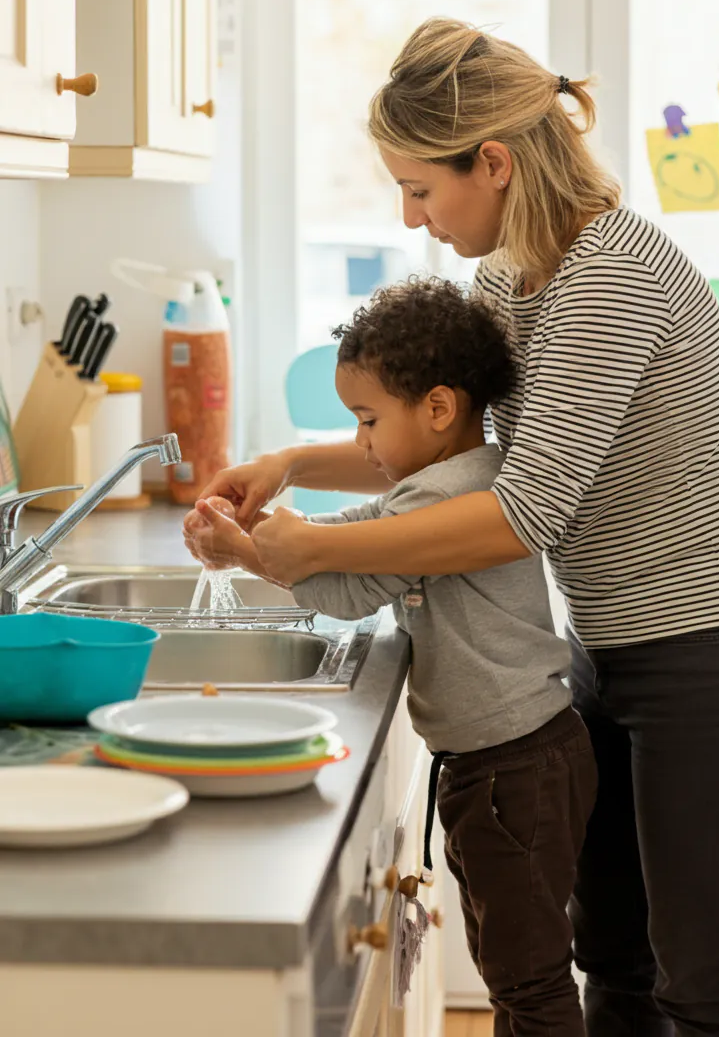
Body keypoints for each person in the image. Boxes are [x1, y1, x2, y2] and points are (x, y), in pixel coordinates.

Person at [198, 18, 719, 1037]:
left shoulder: (611, 274)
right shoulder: (507, 279)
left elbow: (523, 512)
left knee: (697, 981)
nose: (410, 215)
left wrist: (314, 545)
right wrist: (293, 462)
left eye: (421, 188)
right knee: (612, 951)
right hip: (604, 647)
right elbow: (457, 454)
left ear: (492, 161)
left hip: (714, 652)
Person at [184, 277, 597, 1037]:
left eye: (369, 421)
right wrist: (266, 533)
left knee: (527, 982)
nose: (363, 444)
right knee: (518, 970)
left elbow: (351, 588)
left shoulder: (439, 498)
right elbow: (359, 529)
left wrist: (246, 552)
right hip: (515, 759)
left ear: (439, 409)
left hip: (513, 768)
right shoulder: (457, 475)